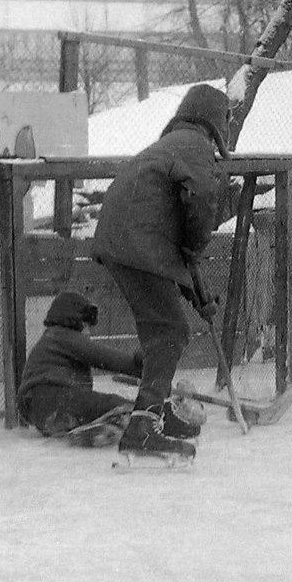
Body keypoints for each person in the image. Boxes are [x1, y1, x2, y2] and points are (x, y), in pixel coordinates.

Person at [90, 83, 231, 463]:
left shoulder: (171, 144)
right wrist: (197, 244)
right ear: (217, 123)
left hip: (122, 239)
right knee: (169, 331)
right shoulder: (195, 145)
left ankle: (152, 415)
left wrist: (199, 295)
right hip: (138, 242)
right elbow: (199, 200)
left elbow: (175, 239)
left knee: (162, 329)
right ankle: (143, 428)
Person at [17, 291, 143, 447]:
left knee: (90, 406)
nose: (88, 332)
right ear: (74, 320)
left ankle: (80, 429)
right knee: (118, 405)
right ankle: (124, 423)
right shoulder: (63, 336)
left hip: (40, 413)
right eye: (86, 325)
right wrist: (141, 365)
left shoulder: (51, 338)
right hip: (57, 398)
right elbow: (104, 357)